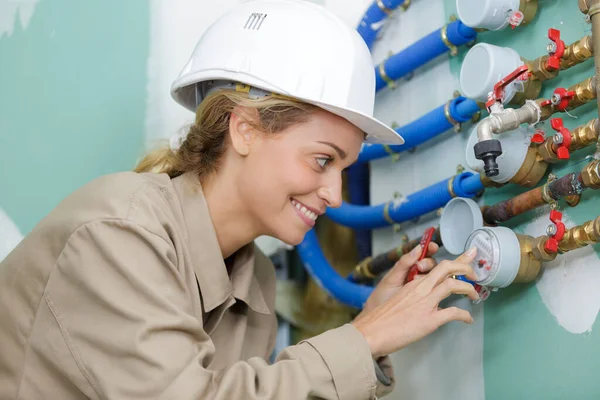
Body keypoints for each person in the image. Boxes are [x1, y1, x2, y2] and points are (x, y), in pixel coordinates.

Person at [0, 1, 479, 399]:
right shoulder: (119, 235)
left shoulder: (255, 283)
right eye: (321, 160)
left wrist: (371, 332)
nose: (334, 195)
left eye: (344, 169)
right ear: (245, 128)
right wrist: (365, 336)